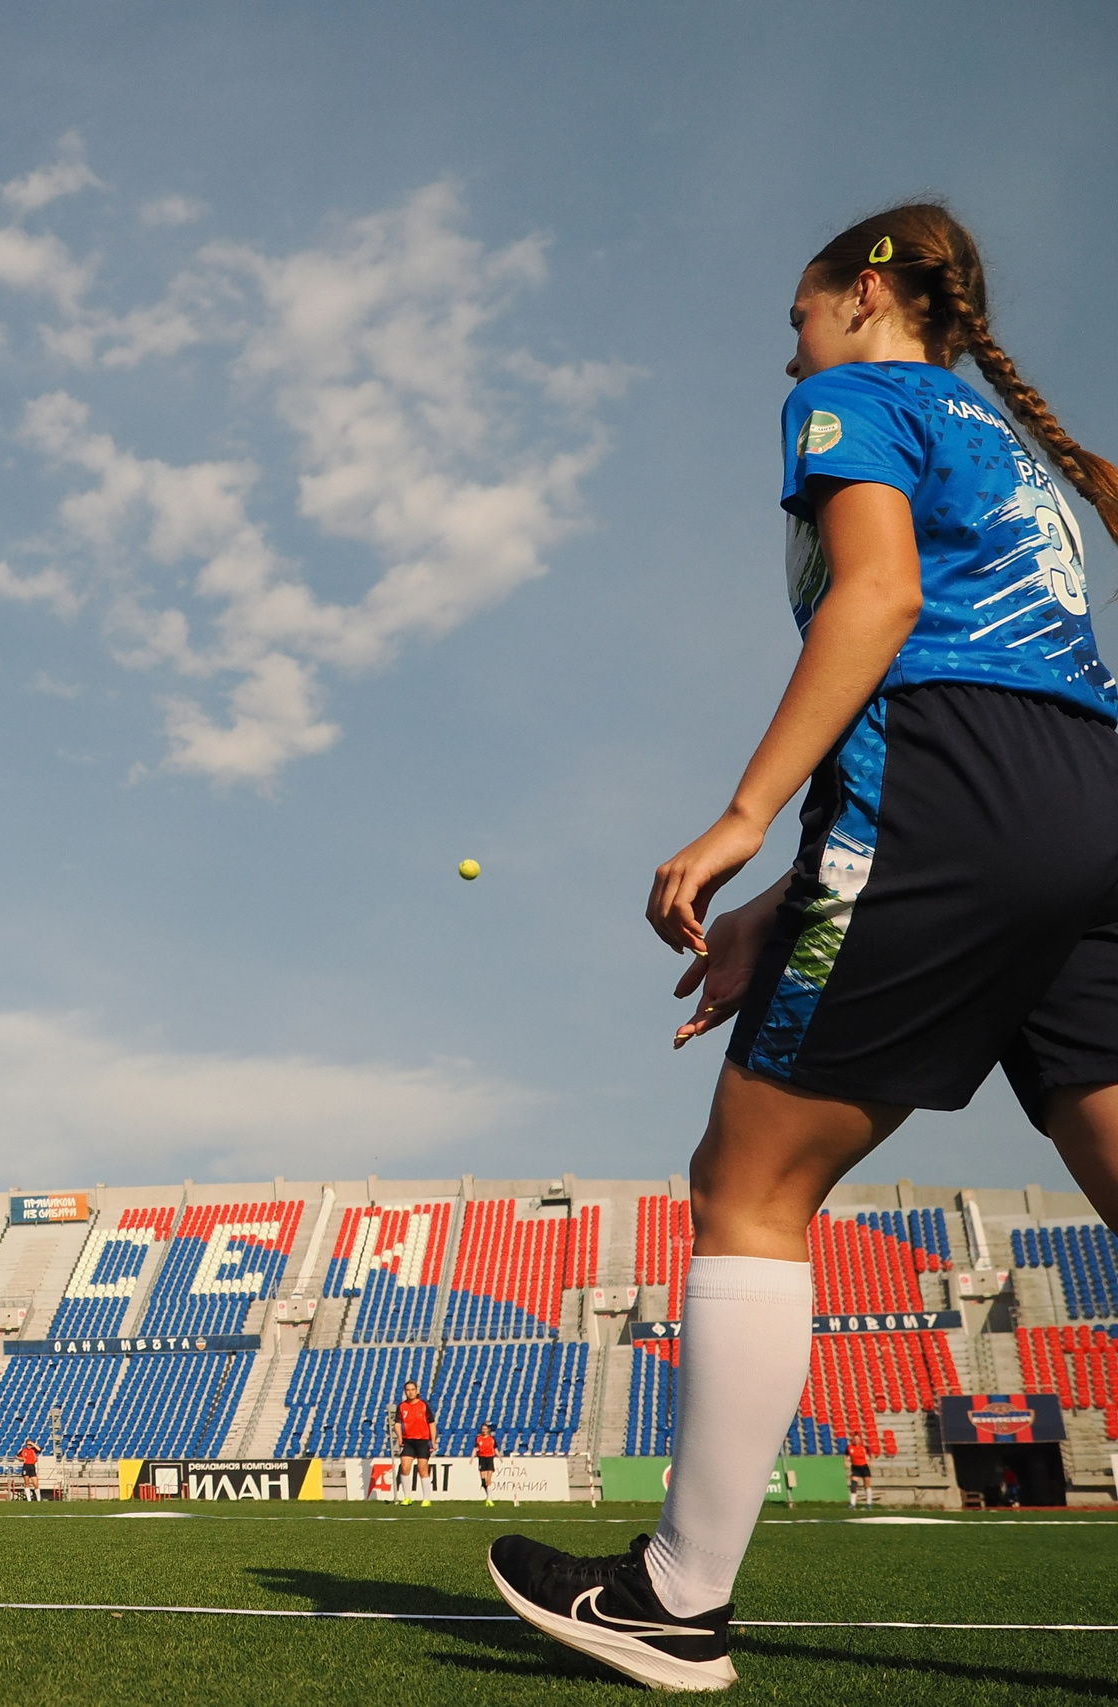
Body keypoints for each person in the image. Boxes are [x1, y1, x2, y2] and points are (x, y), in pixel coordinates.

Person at [488, 203, 1118, 1693]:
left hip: (954, 783)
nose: (789, 346)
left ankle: (675, 1595)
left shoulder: (854, 396)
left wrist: (737, 819)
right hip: (1089, 800)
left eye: (800, 310)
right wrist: (792, 895)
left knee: (751, 1178)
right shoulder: (1029, 452)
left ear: (867, 293)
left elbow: (889, 604)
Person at [392, 1379, 436, 1506]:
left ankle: (426, 1499)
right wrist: (399, 1436)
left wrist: (433, 1441)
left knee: (422, 1468)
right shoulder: (402, 1406)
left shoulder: (423, 1405)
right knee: (405, 1467)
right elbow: (397, 1423)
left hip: (422, 1441)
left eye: (412, 1390)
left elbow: (431, 1423)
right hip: (408, 1441)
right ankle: (407, 1497)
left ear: (416, 1391)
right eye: (408, 1390)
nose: (410, 1392)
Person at [475, 1422, 499, 1507]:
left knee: (489, 1480)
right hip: (482, 1459)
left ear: (488, 1430)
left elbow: (495, 1448)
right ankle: (489, 1497)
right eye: (483, 1429)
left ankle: (489, 1499)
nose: (484, 1430)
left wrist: (500, 1457)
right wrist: (472, 1458)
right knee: (483, 1481)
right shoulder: (478, 1438)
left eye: (485, 1429)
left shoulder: (492, 1439)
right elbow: (475, 1448)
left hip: (489, 1458)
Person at [846, 1435, 872, 1509]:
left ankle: (869, 1503)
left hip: (864, 1467)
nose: (856, 1440)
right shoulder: (850, 1447)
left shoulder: (864, 1447)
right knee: (853, 1485)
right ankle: (852, 1503)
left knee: (867, 1485)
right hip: (855, 1468)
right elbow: (845, 1455)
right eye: (855, 1439)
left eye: (858, 1439)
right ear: (853, 1440)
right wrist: (845, 1462)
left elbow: (872, 1454)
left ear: (860, 1440)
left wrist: (871, 1461)